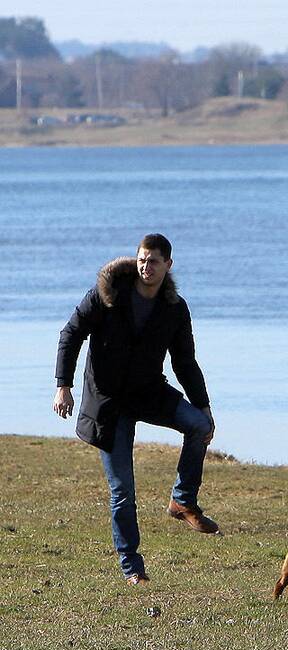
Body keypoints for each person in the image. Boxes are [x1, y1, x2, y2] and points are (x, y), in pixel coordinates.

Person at [53, 233, 220, 587]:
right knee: (123, 492)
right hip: (108, 404)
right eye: (142, 259)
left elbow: (185, 362)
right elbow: (71, 334)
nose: (146, 266)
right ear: (136, 259)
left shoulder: (174, 307)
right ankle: (132, 567)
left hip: (148, 392)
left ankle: (183, 500)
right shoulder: (108, 293)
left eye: (154, 261)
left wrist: (204, 405)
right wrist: (62, 385)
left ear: (168, 265)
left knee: (197, 426)